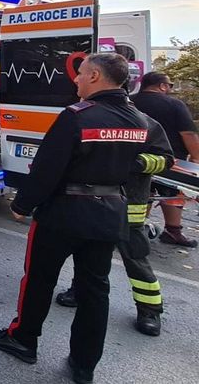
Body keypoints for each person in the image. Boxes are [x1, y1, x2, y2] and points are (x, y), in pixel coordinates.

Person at [0, 53, 174, 384]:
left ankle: (23, 339)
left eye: (82, 74)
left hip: (63, 213)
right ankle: (84, 365)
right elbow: (159, 159)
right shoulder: (139, 122)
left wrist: (23, 205)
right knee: (95, 290)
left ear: (97, 77)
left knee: (39, 280)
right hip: (109, 214)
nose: (76, 80)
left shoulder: (77, 116)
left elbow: (47, 168)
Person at [52, 114, 173, 336]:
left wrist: (133, 162)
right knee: (88, 252)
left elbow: (165, 159)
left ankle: (149, 310)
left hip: (129, 204)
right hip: (94, 200)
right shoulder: (96, 118)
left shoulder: (147, 123)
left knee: (135, 257)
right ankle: (79, 291)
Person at [131, 71, 199, 247]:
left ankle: (136, 228)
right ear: (162, 86)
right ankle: (173, 231)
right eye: (169, 85)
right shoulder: (175, 105)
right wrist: (196, 159)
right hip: (170, 160)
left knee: (141, 193)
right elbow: (188, 133)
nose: (169, 89)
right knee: (172, 194)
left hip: (135, 158)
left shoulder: (130, 101)